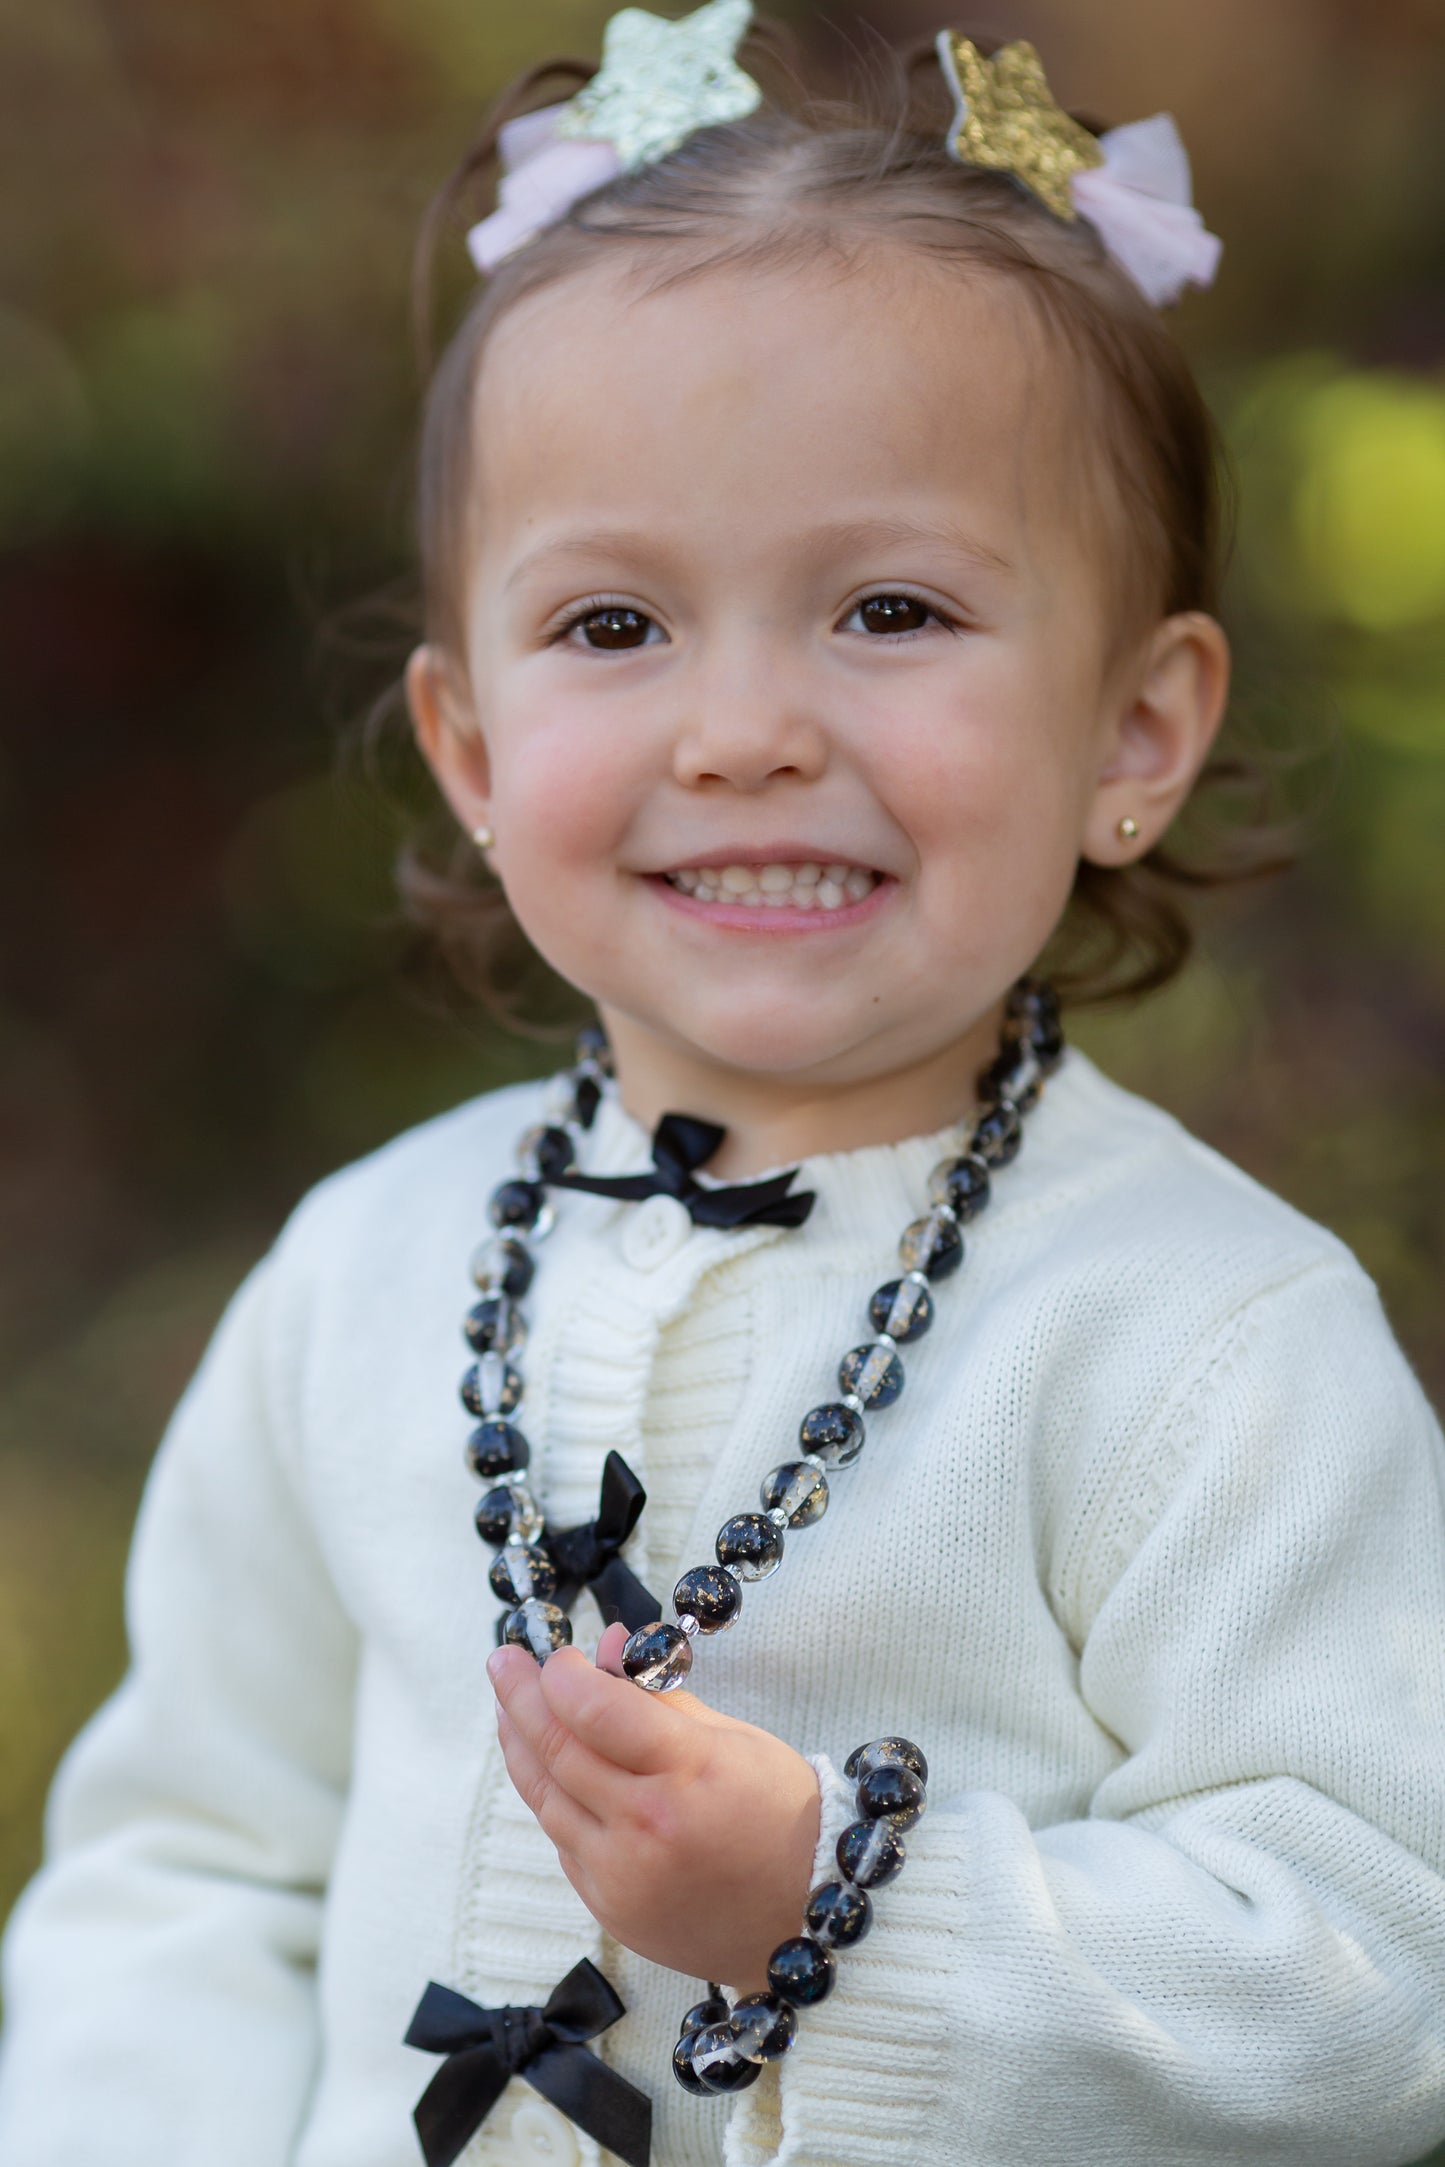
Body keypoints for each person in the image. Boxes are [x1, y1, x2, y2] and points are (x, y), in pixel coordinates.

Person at [2, 7, 1443, 2165]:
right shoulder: (362, 1274)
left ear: (1138, 729)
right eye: (612, 628)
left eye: (886, 605)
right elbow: (192, 1869)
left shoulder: (1203, 1340)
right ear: (471, 748)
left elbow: (1374, 1972)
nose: (745, 728)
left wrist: (840, 1907)